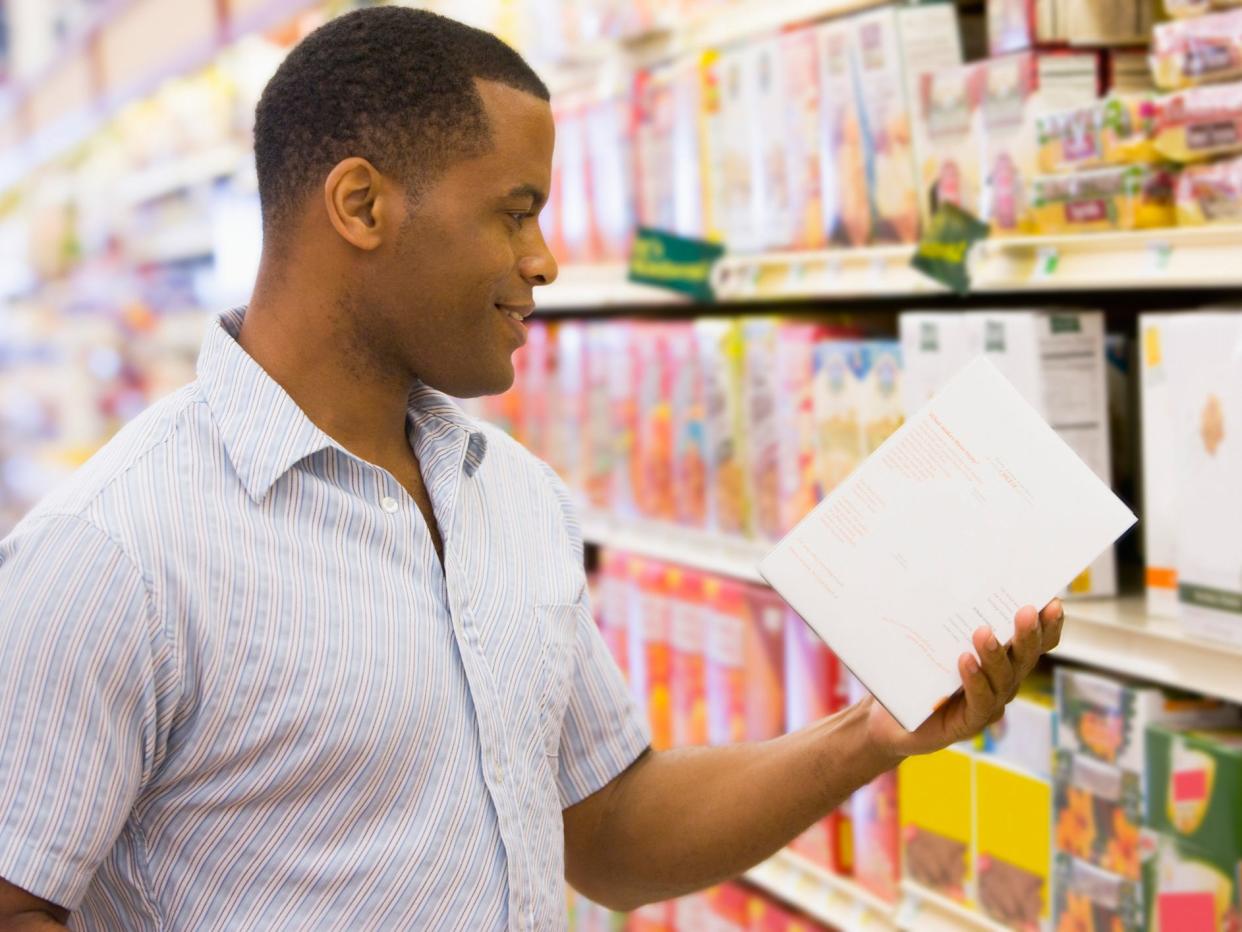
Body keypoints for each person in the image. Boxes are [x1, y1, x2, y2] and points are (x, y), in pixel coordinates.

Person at [0, 8, 1064, 930]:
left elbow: (607, 826)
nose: (546, 258)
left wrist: (866, 737)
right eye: (515, 211)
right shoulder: (113, 549)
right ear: (362, 206)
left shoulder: (511, 495)